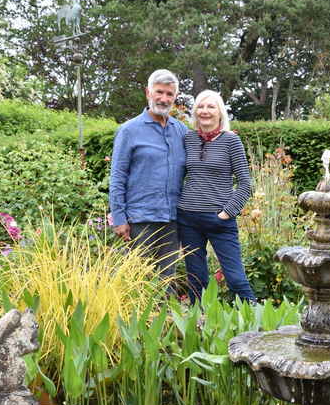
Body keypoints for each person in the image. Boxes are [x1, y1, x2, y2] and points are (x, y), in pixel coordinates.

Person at [176, 90, 257, 304]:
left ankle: (257, 327)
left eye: (210, 107)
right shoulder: (189, 139)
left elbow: (245, 183)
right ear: (195, 112)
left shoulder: (231, 141)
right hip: (188, 219)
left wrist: (226, 213)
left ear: (220, 112)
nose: (205, 111)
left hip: (219, 220)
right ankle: (197, 326)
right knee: (196, 279)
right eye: (200, 107)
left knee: (236, 279)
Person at [109, 69, 187, 285]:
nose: (164, 98)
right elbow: (117, 176)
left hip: (172, 220)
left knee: (166, 281)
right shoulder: (129, 130)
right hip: (140, 221)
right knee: (136, 283)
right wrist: (119, 218)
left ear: (175, 97)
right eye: (159, 92)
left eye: (169, 94)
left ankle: (165, 319)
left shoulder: (181, 131)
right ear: (148, 92)